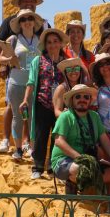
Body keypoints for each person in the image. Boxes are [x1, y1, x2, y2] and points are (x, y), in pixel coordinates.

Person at [0, 0, 48, 156]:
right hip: (16, 81)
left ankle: (29, 146)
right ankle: (12, 144)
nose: (27, 20)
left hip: (33, 83)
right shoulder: (11, 32)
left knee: (32, 117)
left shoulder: (41, 37)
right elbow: (0, 49)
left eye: (30, 18)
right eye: (24, 19)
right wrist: (7, 62)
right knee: (15, 113)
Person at [50, 84, 110, 196]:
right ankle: (72, 187)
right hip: (64, 161)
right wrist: (81, 158)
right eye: (78, 97)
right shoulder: (65, 116)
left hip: (89, 162)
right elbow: (59, 142)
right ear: (72, 100)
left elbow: (105, 142)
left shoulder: (95, 116)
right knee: (82, 169)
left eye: (86, 97)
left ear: (90, 100)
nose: (82, 99)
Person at [19, 28, 68, 179]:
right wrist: (26, 99)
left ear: (60, 43)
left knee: (57, 136)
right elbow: (31, 82)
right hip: (42, 103)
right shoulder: (38, 60)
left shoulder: (66, 61)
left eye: (55, 41)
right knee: (40, 136)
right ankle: (38, 166)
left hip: (61, 106)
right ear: (45, 45)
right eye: (49, 42)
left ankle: (53, 167)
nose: (52, 45)